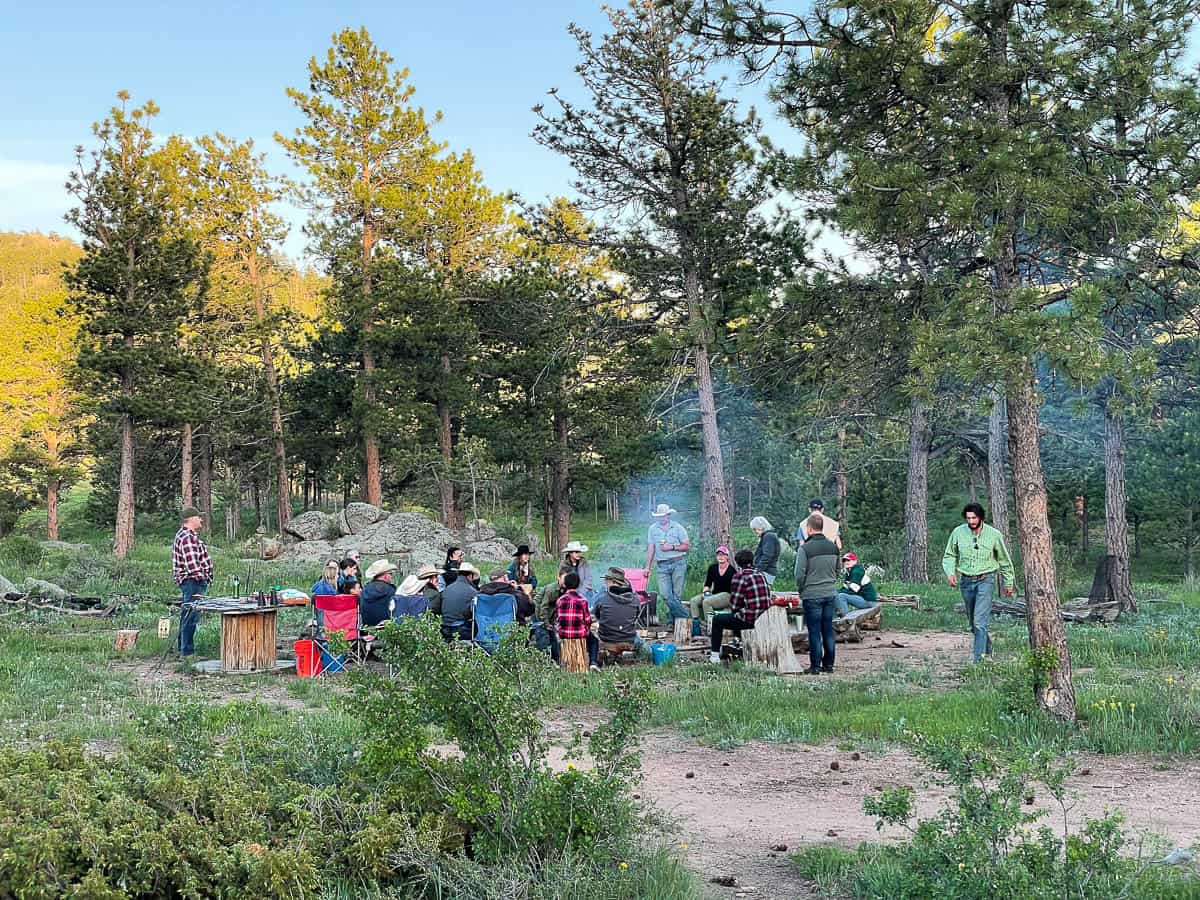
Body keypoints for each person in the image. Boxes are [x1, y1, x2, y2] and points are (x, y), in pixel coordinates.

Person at [942, 502, 1016, 663]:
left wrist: (1008, 583)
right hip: (966, 581)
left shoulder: (994, 534)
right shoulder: (958, 533)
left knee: (979, 621)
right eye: (968, 518)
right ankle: (987, 649)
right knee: (973, 622)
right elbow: (949, 555)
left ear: (981, 517)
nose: (971, 521)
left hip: (986, 580)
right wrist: (950, 572)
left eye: (974, 518)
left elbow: (1004, 560)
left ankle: (978, 661)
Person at [795, 513, 841, 674]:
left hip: (812, 595)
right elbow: (837, 570)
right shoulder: (833, 547)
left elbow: (799, 574)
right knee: (827, 629)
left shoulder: (805, 549)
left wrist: (801, 590)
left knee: (814, 631)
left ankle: (815, 666)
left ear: (808, 528)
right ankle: (829, 664)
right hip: (830, 593)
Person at [708, 549, 771, 664]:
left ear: (737, 563)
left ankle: (714, 656)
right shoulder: (760, 574)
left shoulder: (739, 576)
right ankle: (740, 646)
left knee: (718, 620)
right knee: (737, 615)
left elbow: (735, 604)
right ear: (752, 561)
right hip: (764, 617)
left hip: (750, 620)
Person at [172, 506, 213, 657]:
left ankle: (183, 649)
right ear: (191, 519)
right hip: (192, 582)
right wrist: (202, 577)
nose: (201, 520)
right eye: (198, 517)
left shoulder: (186, 535)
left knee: (187, 615)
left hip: (191, 581)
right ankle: (187, 652)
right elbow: (192, 564)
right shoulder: (187, 538)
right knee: (191, 616)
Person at [645, 503, 690, 626]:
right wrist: (647, 567)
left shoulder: (678, 527)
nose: (661, 518)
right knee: (665, 594)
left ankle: (674, 622)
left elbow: (686, 546)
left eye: (663, 516)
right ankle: (687, 617)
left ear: (668, 515)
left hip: (678, 563)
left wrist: (671, 547)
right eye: (659, 516)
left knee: (676, 595)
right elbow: (651, 548)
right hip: (662, 565)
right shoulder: (653, 529)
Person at [594, 567, 645, 657]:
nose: (605, 582)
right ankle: (644, 656)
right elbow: (636, 617)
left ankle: (607, 653)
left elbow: (597, 616)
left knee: (593, 635)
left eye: (607, 580)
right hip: (628, 639)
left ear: (613, 581)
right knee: (641, 641)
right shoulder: (635, 599)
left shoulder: (602, 598)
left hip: (607, 639)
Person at [555, 571, 600, 672]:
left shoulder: (560, 600)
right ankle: (593, 663)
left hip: (564, 635)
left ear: (565, 584)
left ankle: (559, 662)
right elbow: (587, 620)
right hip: (579, 635)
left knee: (557, 641)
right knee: (594, 641)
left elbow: (558, 618)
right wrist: (587, 628)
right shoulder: (582, 600)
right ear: (579, 585)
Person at [688, 545, 736, 627]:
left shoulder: (732, 571)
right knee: (694, 601)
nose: (720, 557)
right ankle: (697, 624)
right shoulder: (712, 568)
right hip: (714, 594)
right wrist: (705, 592)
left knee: (707, 602)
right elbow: (708, 584)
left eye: (723, 555)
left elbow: (734, 589)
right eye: (718, 555)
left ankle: (711, 625)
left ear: (727, 556)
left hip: (727, 595)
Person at [534, 564, 572, 660]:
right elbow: (543, 607)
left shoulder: (566, 590)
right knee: (543, 637)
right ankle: (543, 661)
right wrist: (546, 623)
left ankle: (556, 661)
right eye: (565, 578)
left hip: (550, 615)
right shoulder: (551, 590)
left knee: (553, 639)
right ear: (558, 577)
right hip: (537, 613)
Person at [434, 561, 478, 642]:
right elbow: (471, 612)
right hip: (460, 629)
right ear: (470, 576)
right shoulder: (472, 592)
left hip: (444, 628)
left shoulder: (447, 589)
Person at [360, 559, 398, 626]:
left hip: (367, 629)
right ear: (385, 576)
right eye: (390, 574)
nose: (391, 576)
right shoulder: (391, 590)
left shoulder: (365, 589)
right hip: (386, 629)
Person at [751, 517, 781, 585]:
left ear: (760, 527)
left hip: (766, 572)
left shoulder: (769, 536)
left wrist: (757, 571)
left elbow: (767, 556)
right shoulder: (768, 536)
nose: (754, 532)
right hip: (765, 572)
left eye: (754, 529)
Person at [310, 559, 340, 629]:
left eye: (335, 567)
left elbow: (312, 590)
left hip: (324, 620)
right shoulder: (329, 589)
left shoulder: (319, 585)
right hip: (332, 618)